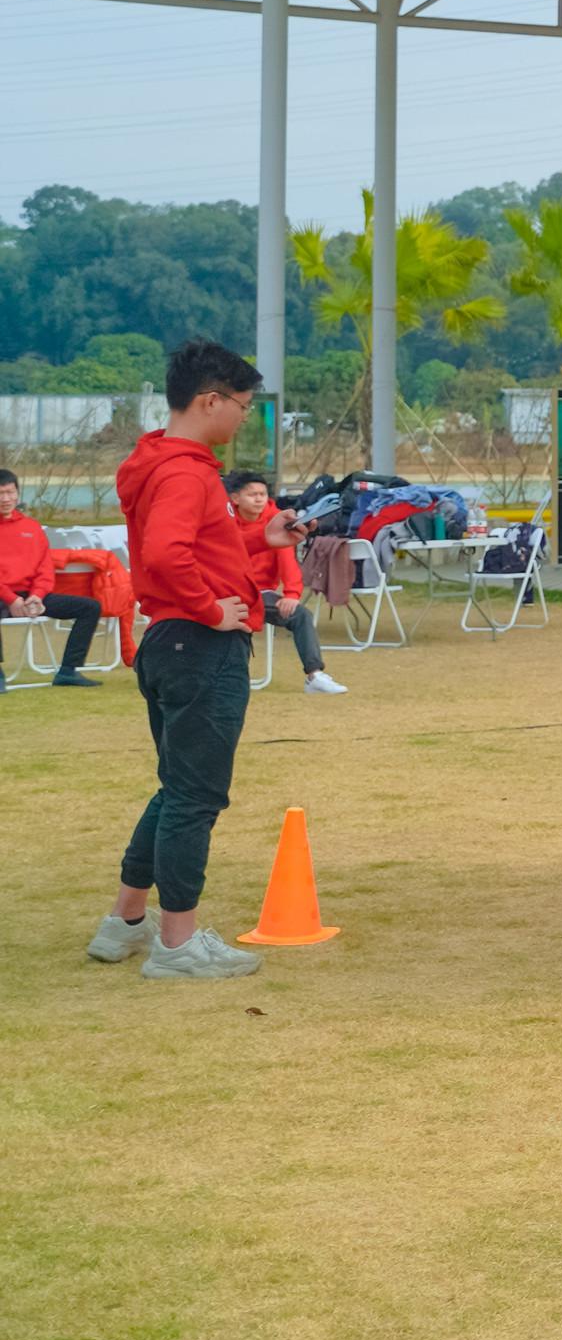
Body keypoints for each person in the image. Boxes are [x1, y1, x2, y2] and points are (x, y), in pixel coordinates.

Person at [82, 342, 269, 979]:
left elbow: (186, 543)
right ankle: (177, 943)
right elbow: (165, 556)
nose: (245, 416)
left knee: (177, 787)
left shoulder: (155, 458)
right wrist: (213, 610)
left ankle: (126, 922)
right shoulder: (189, 471)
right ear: (210, 400)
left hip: (168, 640)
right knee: (197, 795)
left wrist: (256, 537)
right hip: (200, 646)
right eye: (243, 405)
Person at [225, 472, 346, 696]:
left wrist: (291, 593)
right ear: (235, 498)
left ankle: (315, 675)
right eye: (252, 495)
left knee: (301, 615)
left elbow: (286, 559)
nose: (259, 499)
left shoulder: (277, 521)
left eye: (262, 494)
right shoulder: (224, 521)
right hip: (228, 591)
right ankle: (229, 679)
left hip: (262, 593)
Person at [0, 464, 111, 690]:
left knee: (89, 608)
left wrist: (37, 597)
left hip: (31, 596)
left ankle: (68, 671)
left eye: (10, 492)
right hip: (4, 595)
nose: (5, 498)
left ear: (18, 493)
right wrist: (11, 599)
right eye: (0, 493)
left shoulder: (32, 527)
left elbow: (44, 567)